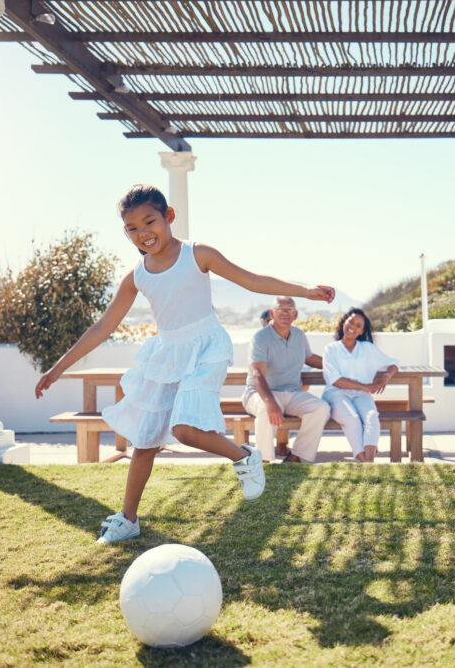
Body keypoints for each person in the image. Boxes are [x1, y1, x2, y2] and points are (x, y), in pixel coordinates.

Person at [35, 185, 334, 543]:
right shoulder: (136, 276)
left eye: (150, 222)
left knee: (184, 430)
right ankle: (128, 519)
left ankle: (245, 456)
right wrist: (58, 368)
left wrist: (305, 290)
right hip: (167, 354)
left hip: (206, 348)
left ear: (169, 217)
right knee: (145, 441)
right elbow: (103, 327)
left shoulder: (198, 254)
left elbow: (252, 280)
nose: (143, 233)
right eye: (132, 228)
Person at [243, 297, 331, 463]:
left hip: (292, 392)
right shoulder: (260, 338)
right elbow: (257, 374)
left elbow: (310, 358)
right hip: (260, 393)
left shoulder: (299, 335)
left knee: (321, 408)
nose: (285, 313)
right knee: (264, 411)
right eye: (280, 309)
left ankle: (297, 457)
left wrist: (337, 364)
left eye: (289, 310)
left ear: (295, 314)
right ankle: (263, 462)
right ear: (272, 313)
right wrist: (270, 403)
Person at [322, 308, 398, 463]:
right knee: (352, 419)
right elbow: (335, 380)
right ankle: (366, 463)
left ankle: (368, 462)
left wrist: (386, 376)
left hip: (361, 395)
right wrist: (366, 387)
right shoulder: (331, 349)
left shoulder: (367, 348)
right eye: (350, 321)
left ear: (362, 331)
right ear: (344, 322)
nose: (353, 326)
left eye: (358, 325)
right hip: (335, 393)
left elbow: (393, 363)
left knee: (371, 417)